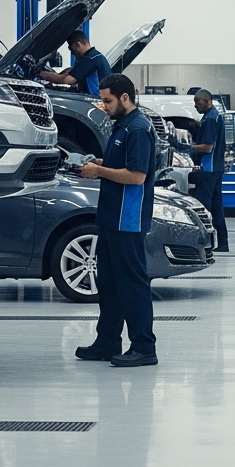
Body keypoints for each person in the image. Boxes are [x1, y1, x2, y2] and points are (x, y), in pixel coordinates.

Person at [73, 73, 160, 367]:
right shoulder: (121, 127)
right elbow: (122, 167)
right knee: (108, 283)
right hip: (112, 216)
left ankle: (144, 346)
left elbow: (136, 176)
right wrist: (100, 163)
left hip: (128, 218)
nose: (104, 105)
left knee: (132, 283)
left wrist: (99, 172)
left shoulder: (137, 129)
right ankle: (107, 341)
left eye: (108, 100)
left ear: (125, 98)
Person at [189, 89, 229, 253]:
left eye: (198, 102)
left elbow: (207, 147)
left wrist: (186, 147)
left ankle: (203, 245)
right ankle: (223, 242)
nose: (195, 105)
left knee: (202, 207)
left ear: (208, 101)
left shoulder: (211, 119)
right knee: (217, 206)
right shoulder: (212, 116)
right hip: (216, 169)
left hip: (208, 169)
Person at [37, 30, 112, 95]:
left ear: (78, 44)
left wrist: (41, 73)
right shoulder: (96, 56)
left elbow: (66, 79)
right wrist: (56, 74)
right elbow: (74, 71)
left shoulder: (89, 59)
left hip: (96, 103)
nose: (72, 52)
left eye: (71, 48)